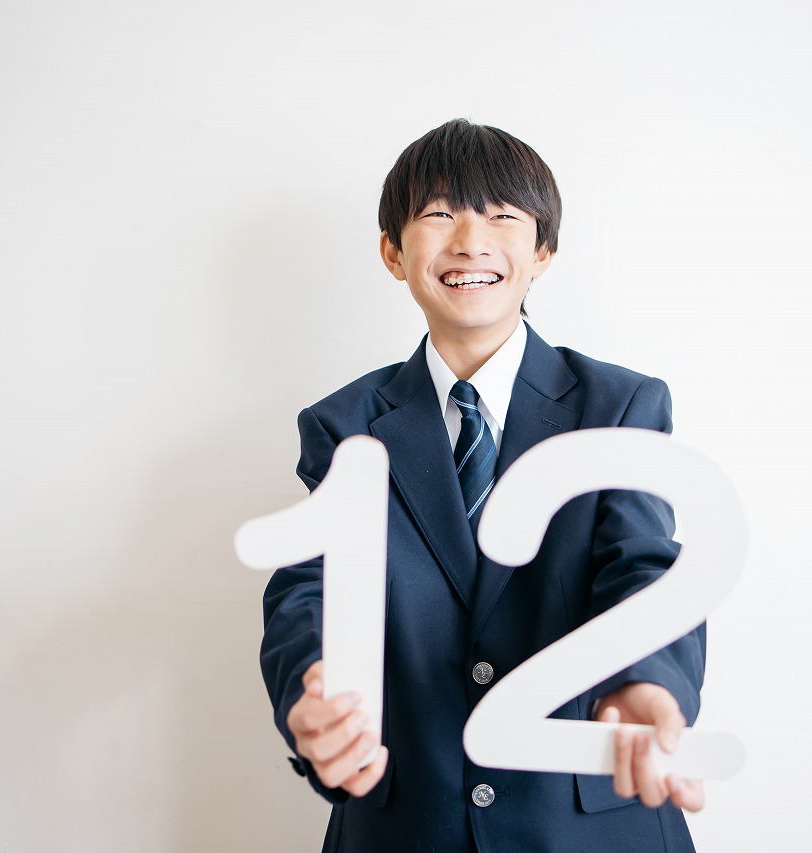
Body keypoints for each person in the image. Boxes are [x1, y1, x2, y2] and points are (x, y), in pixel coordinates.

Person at [260, 118, 708, 852]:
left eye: (502, 215)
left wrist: (647, 680)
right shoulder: (344, 425)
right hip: (407, 822)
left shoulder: (619, 404)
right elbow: (310, 588)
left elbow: (642, 563)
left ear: (543, 252)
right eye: (440, 214)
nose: (471, 241)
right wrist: (312, 686)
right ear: (393, 252)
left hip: (587, 821)